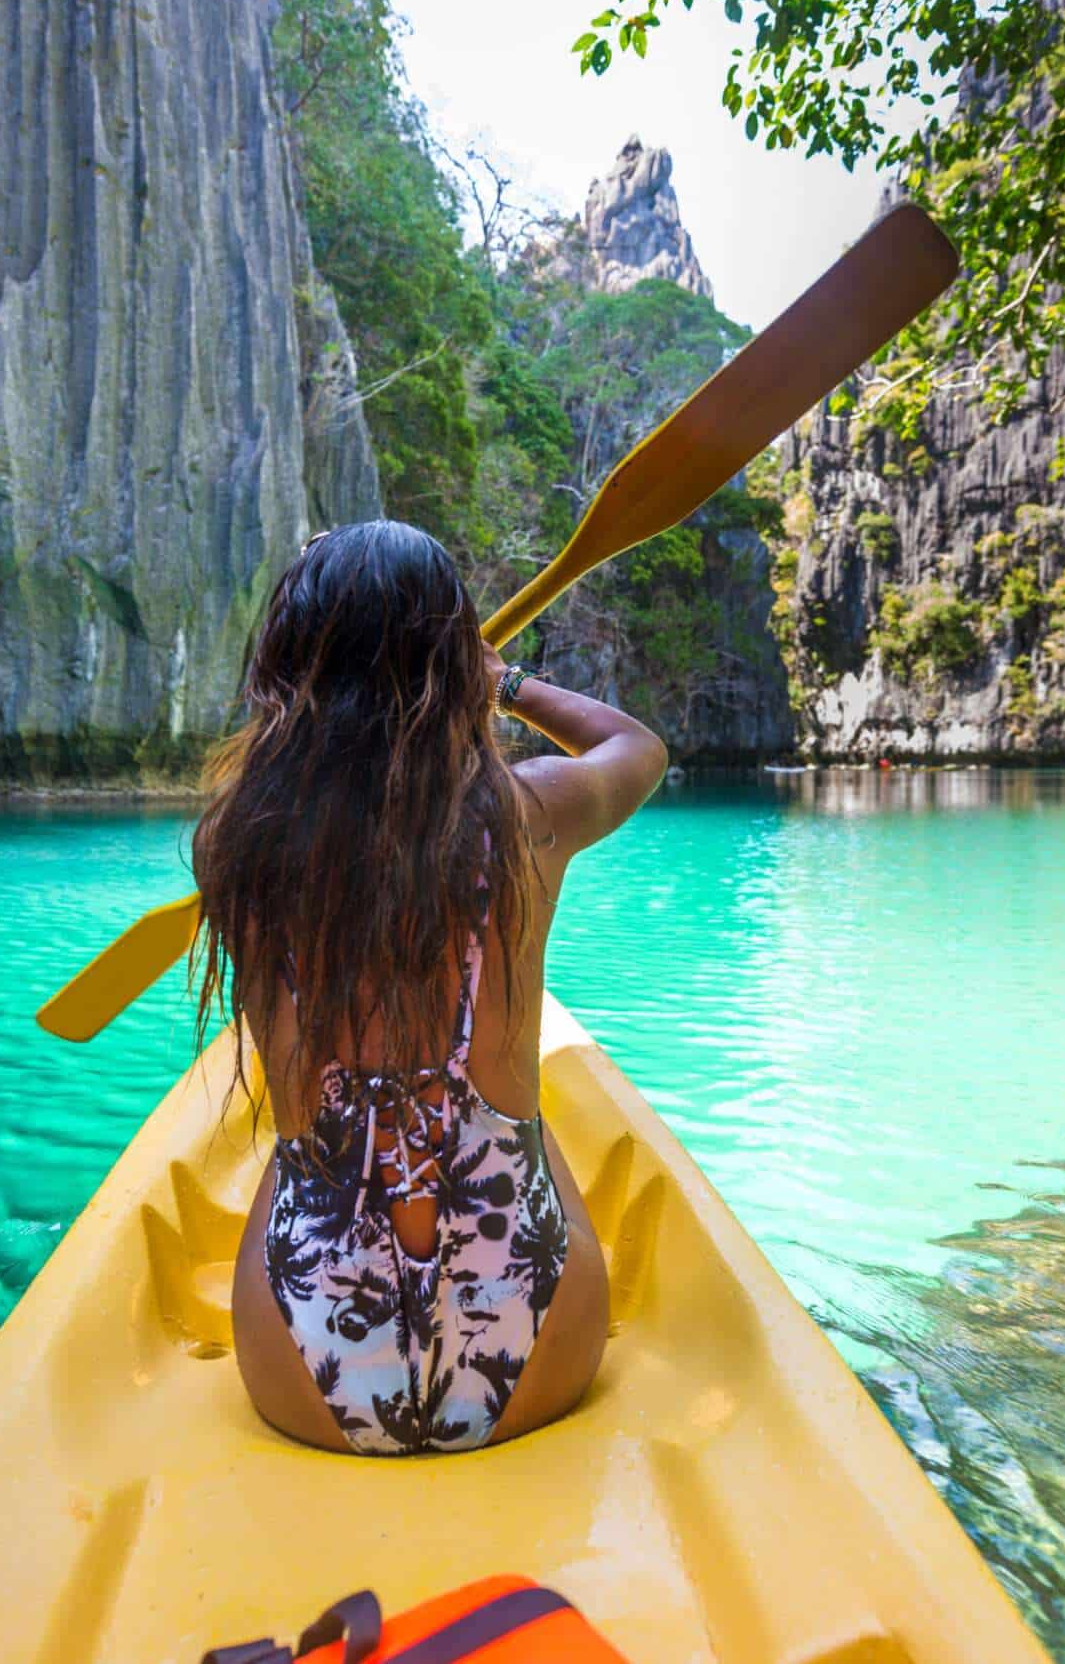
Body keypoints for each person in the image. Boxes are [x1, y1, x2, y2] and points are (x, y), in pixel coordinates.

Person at [191, 520, 667, 1456]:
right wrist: (507, 682)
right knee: (527, 1128)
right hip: (536, 1359)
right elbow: (637, 747)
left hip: (305, 1374)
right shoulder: (526, 818)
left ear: (288, 676)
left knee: (292, 1157)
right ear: (453, 669)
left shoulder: (236, 847)